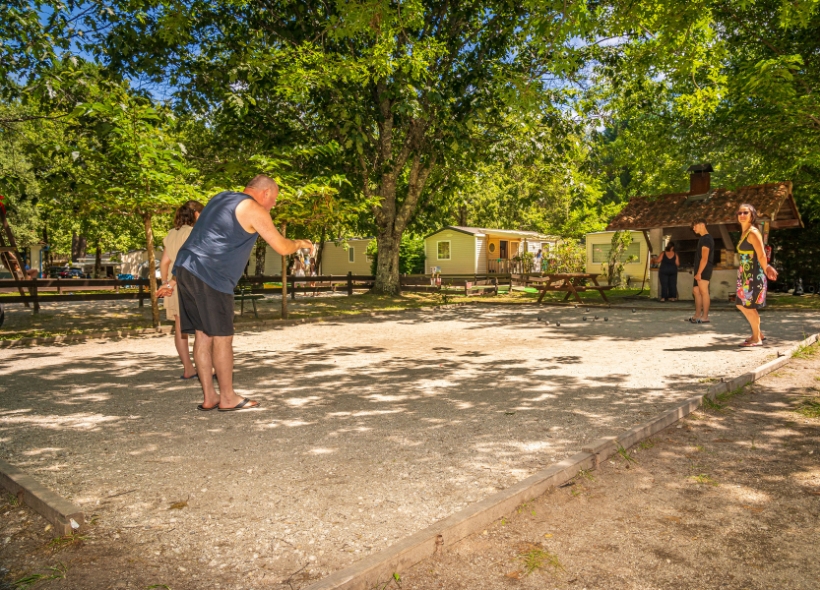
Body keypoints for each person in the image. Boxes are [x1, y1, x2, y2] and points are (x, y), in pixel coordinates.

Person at [158, 175, 312, 412]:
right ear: (266, 193)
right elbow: (281, 247)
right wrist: (302, 243)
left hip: (185, 269)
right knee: (222, 337)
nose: (272, 205)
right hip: (211, 275)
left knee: (202, 334)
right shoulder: (253, 208)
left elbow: (200, 239)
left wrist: (175, 279)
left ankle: (210, 396)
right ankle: (228, 397)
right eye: (274, 199)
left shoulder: (219, 198)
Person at [160, 201, 204, 379]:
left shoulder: (172, 234)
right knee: (203, 329)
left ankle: (188, 369)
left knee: (180, 328)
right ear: (195, 214)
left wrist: (166, 283)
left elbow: (164, 263)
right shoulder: (195, 233)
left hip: (173, 285)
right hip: (191, 284)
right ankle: (206, 369)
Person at [735, 203, 777, 346]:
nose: (742, 215)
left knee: (748, 306)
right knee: (741, 304)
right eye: (739, 213)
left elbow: (761, 255)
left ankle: (756, 338)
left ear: (752, 215)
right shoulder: (744, 232)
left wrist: (767, 268)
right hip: (745, 275)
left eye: (745, 212)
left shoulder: (753, 232)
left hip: (753, 275)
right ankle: (758, 332)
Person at [689, 218, 714, 324]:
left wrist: (699, 273)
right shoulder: (702, 239)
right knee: (696, 291)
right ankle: (697, 315)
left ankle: (705, 317)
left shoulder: (706, 239)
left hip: (704, 269)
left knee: (704, 291)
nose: (693, 228)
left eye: (695, 226)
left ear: (702, 225)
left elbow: (705, 258)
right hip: (699, 269)